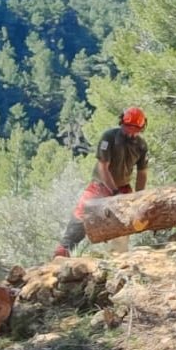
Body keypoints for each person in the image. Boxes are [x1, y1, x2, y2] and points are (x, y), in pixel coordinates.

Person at [54, 106, 149, 257]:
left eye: (135, 129)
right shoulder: (109, 137)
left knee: (123, 222)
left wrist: (139, 196)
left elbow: (142, 173)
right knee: (82, 213)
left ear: (141, 128)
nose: (131, 132)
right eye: (128, 127)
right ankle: (63, 250)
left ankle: (118, 256)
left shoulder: (141, 145)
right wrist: (114, 191)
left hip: (124, 187)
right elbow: (103, 167)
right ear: (122, 123)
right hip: (101, 185)